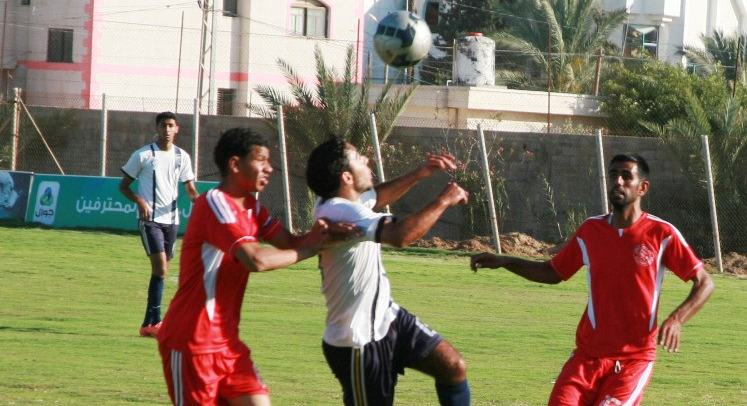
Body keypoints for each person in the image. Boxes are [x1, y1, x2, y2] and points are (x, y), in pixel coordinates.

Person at [471, 154, 714, 406]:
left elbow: (704, 282)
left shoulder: (661, 233)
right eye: (613, 175)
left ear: (642, 187)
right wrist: (507, 261)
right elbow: (553, 272)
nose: (617, 181)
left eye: (626, 176)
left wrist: (676, 319)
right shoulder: (590, 231)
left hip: (633, 361)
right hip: (587, 357)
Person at [157, 127, 333, 406]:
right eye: (261, 160)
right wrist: (309, 249)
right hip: (192, 343)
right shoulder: (215, 202)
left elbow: (290, 244)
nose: (269, 169)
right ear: (235, 164)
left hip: (228, 344)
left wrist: (330, 231)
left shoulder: (252, 207)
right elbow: (255, 259)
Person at [306, 137, 472, 406]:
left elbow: (377, 197)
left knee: (453, 367)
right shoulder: (342, 210)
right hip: (357, 341)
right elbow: (400, 236)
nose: (366, 160)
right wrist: (444, 200)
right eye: (359, 158)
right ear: (347, 177)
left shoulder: (340, 201)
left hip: (388, 317)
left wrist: (420, 173)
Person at [119, 111, 199, 338]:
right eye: (163, 125)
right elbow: (123, 186)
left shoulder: (182, 157)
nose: (166, 129)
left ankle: (148, 324)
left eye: (170, 125)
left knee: (161, 273)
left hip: (171, 221)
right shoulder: (143, 155)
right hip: (150, 221)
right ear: (157, 128)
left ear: (177, 129)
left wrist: (200, 202)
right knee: (161, 268)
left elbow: (190, 188)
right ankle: (158, 322)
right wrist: (139, 200)